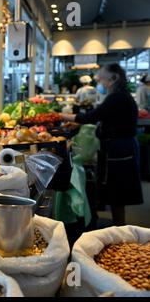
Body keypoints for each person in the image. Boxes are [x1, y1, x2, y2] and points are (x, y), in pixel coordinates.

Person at [60, 63, 143, 226]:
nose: (99, 81)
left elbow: (93, 116)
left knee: (119, 192)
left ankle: (120, 232)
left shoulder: (117, 97)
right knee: (115, 191)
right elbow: (107, 118)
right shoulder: (119, 96)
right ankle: (118, 227)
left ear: (113, 79)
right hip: (119, 147)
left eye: (102, 77)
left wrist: (62, 116)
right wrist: (78, 124)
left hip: (120, 150)